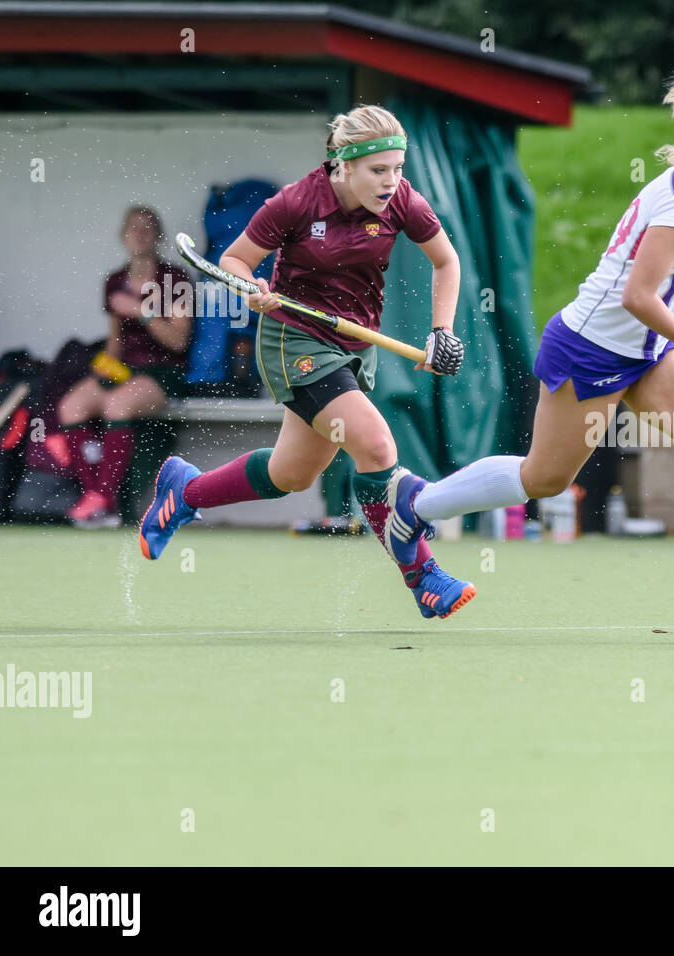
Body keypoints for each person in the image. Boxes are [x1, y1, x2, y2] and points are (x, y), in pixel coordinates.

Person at [387, 70, 674, 636]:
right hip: (592, 352)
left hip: (646, 351)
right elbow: (638, 295)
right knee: (544, 479)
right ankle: (416, 505)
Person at [138, 104, 476, 621]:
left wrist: (442, 331)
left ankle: (184, 491)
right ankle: (425, 578)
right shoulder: (295, 203)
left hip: (353, 346)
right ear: (343, 164)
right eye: (378, 170)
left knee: (290, 473)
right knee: (377, 445)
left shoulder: (401, 200)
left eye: (398, 169)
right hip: (294, 341)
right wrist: (251, 287)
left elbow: (446, 260)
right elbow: (234, 260)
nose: (391, 182)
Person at [55, 206, 193, 528]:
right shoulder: (115, 281)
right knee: (71, 406)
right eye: (133, 228)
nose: (139, 235)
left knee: (117, 405)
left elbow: (178, 341)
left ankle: (106, 500)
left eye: (147, 228)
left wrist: (141, 310)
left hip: (162, 372)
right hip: (125, 371)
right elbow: (116, 341)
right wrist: (104, 366)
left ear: (159, 236)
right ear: (122, 235)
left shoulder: (174, 278)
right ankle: (95, 498)